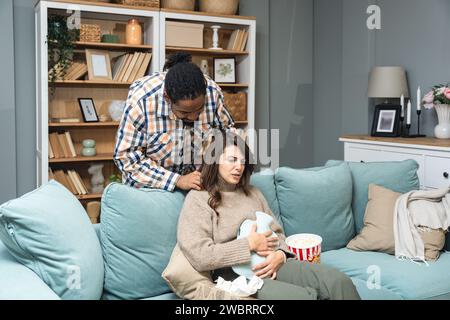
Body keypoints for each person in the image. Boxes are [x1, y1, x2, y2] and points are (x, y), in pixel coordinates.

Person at [177, 130, 361, 300]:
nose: (239, 167)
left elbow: (278, 233)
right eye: (232, 160)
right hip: (234, 275)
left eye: (242, 161)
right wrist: (249, 244)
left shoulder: (253, 193)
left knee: (338, 282)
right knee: (304, 297)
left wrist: (281, 254)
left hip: (272, 262)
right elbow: (200, 255)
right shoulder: (198, 199)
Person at [114, 52, 235, 192]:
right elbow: (126, 159)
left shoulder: (213, 92)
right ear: (167, 97)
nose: (194, 117)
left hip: (198, 185)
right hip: (150, 189)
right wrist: (177, 180)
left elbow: (228, 136)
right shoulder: (142, 102)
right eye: (185, 113)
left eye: (200, 109)